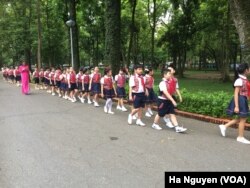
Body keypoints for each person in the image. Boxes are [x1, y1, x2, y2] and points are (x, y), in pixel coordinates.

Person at [219, 63, 250, 144]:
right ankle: (240, 137)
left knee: (242, 118)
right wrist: (236, 106)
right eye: (249, 68)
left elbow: (247, 92)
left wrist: (248, 102)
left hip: (244, 100)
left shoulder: (245, 79)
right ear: (246, 70)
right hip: (240, 100)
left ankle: (224, 126)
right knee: (243, 118)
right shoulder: (239, 80)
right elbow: (236, 93)